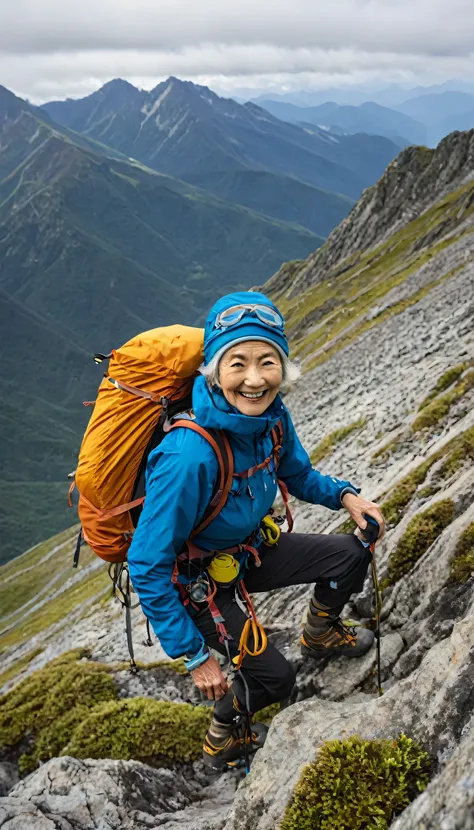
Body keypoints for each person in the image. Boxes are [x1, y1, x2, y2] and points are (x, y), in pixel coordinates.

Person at [128, 291, 385, 770]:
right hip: (198, 586)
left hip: (245, 553)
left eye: (268, 362)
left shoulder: (271, 418)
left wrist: (348, 497)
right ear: (214, 370)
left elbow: (297, 474)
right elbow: (146, 562)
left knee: (350, 554)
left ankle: (319, 633)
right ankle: (222, 737)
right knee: (275, 679)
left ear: (282, 369)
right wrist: (194, 656)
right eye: (237, 363)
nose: (254, 378)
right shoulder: (189, 456)